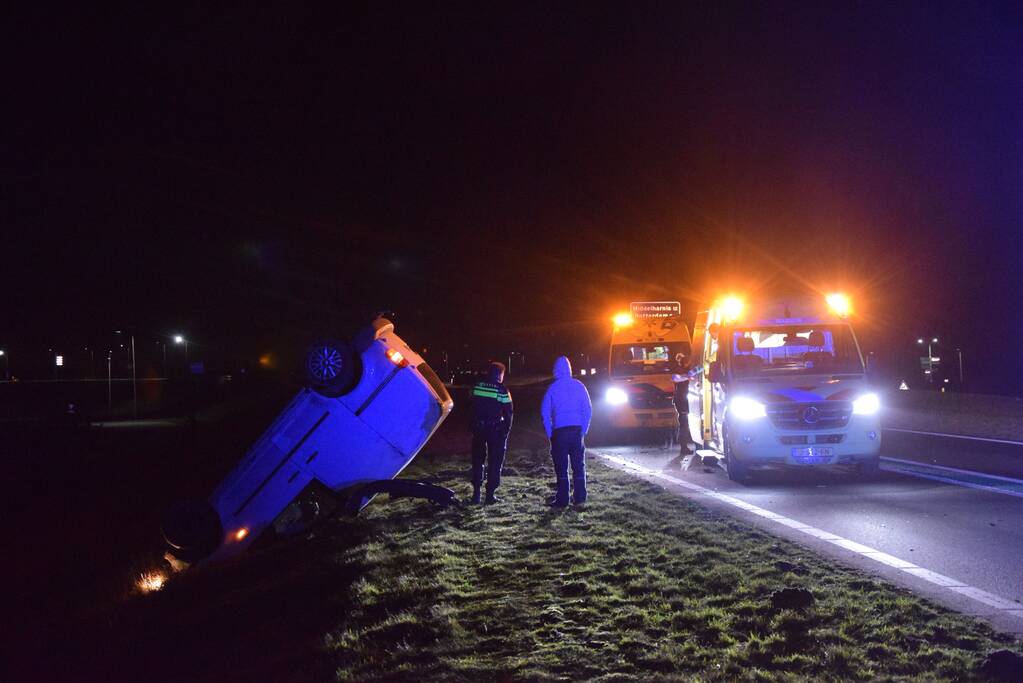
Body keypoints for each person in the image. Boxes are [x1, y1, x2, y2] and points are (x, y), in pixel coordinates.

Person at [540, 356, 593, 507]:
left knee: (561, 467)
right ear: (570, 369)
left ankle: (563, 499)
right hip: (576, 431)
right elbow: (588, 409)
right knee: (578, 466)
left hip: (559, 432)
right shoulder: (579, 386)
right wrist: (584, 429)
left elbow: (545, 413)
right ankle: (580, 498)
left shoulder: (552, 388)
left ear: (555, 370)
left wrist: (550, 433)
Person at [469, 361, 513, 504]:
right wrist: (506, 431)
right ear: (500, 374)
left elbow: (470, 406)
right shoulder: (501, 389)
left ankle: (476, 494)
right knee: (495, 462)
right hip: (495, 430)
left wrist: (472, 425)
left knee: (477, 460)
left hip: (479, 429)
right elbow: (509, 412)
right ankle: (490, 495)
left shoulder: (477, 386)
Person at [672, 352, 694, 455]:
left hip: (683, 399)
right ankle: (683, 447)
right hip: (681, 400)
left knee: (685, 423)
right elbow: (675, 378)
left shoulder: (687, 370)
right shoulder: (679, 370)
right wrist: (687, 377)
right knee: (684, 424)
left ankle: (685, 446)